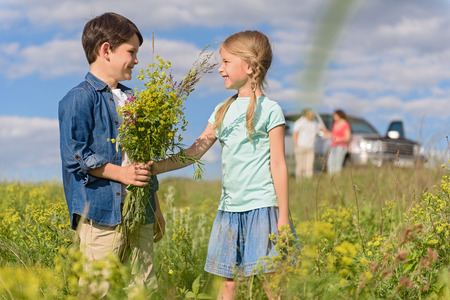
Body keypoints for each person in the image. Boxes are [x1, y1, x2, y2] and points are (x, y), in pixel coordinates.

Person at [150, 30, 292, 299]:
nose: (219, 68)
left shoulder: (270, 109)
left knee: (270, 284)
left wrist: (282, 217)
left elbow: (278, 164)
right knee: (228, 284)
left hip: (262, 207)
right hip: (229, 209)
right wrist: (157, 166)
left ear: (249, 66)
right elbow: (195, 151)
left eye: (226, 62)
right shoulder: (221, 110)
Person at [58, 12, 165, 296]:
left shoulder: (133, 99)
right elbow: (75, 154)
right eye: (131, 51)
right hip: (102, 215)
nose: (136, 60)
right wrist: (122, 174)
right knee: (98, 289)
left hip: (138, 212)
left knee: (143, 287)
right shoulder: (81, 97)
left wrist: (155, 208)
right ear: (106, 50)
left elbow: (142, 160)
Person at [292, 108, 325, 180]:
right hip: (301, 146)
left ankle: (308, 182)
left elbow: (322, 129)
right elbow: (294, 134)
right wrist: (297, 146)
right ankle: (299, 182)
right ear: (306, 113)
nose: (313, 114)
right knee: (300, 166)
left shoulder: (314, 123)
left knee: (309, 167)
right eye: (311, 113)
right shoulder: (299, 122)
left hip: (311, 148)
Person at [326, 109, 351, 174]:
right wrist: (327, 132)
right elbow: (334, 135)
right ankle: (331, 179)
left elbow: (347, 138)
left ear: (339, 115)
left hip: (341, 147)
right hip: (333, 146)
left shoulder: (345, 124)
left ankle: (336, 180)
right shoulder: (335, 124)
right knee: (330, 163)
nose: (334, 116)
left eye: (335, 115)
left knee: (337, 164)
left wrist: (337, 139)